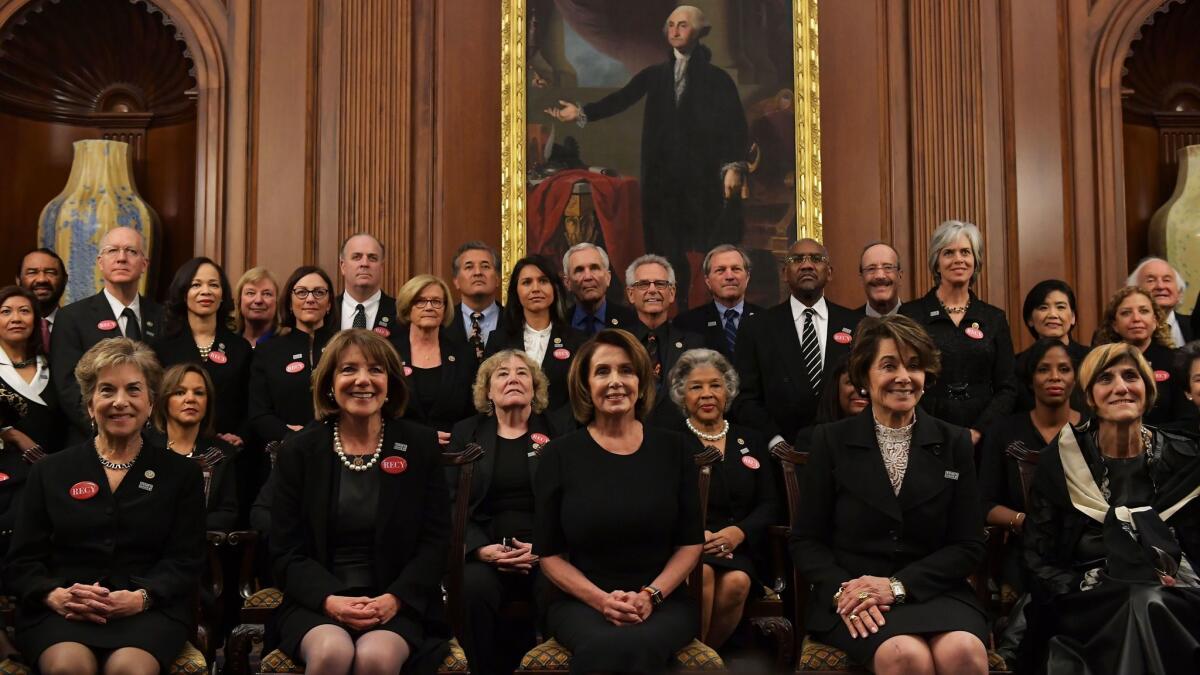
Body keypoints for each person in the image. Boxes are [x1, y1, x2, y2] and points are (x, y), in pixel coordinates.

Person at [790, 315, 989, 674]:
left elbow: (969, 545)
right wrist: (846, 592)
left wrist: (897, 586)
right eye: (889, 365)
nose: (903, 377)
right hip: (855, 595)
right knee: (904, 655)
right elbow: (806, 541)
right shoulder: (831, 441)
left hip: (935, 591)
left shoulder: (954, 441)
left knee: (963, 652)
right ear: (865, 375)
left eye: (914, 366)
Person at [4, 337, 205, 674]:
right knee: (68, 666)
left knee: (130, 669)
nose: (120, 402)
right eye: (107, 390)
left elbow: (186, 560)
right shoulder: (49, 471)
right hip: (63, 611)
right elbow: (22, 561)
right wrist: (53, 595)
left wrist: (140, 597)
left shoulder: (181, 474)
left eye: (133, 390)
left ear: (152, 402)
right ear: (89, 404)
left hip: (148, 610)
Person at [269, 330, 450, 674]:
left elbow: (436, 541)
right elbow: (284, 550)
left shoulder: (419, 444)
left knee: (375, 657)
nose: (363, 380)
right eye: (348, 369)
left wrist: (395, 599)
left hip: (398, 600)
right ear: (329, 383)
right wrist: (331, 601)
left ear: (391, 382)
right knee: (331, 653)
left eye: (376, 370)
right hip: (318, 602)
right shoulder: (300, 450)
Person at [544, 5, 748, 306]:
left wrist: (733, 167)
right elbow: (622, 99)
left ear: (700, 32)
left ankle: (707, 312)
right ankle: (673, 311)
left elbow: (735, 127)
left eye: (683, 25)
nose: (675, 30)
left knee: (705, 248)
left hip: (700, 180)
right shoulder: (656, 75)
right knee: (667, 249)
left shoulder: (718, 80)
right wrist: (581, 112)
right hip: (662, 181)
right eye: (671, 25)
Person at [1020, 343, 1200, 674]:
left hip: (1176, 599)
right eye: (1106, 378)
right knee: (1141, 602)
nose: (1121, 387)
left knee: (1147, 601)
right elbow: (1037, 560)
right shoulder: (1061, 461)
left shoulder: (1184, 457)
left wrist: (1181, 575)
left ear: (1147, 390)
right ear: (1089, 397)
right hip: (1085, 602)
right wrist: (1089, 583)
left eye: (1131, 376)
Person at [533, 329, 703, 672]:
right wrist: (601, 601)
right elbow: (549, 555)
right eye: (602, 371)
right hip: (581, 602)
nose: (615, 381)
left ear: (641, 382)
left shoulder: (675, 449)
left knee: (638, 643)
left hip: (663, 601)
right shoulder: (557, 455)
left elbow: (690, 544)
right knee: (607, 646)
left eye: (626, 370)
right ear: (585, 385)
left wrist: (650, 596)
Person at [447, 349, 556, 675]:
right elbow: (452, 500)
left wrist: (543, 549)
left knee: (558, 588)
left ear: (535, 388)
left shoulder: (558, 430)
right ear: (488, 391)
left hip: (546, 550)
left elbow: (573, 500)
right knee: (472, 588)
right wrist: (480, 550)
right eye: (502, 374)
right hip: (487, 550)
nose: (513, 379)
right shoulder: (466, 432)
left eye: (522, 373)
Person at [979, 338, 1082, 667]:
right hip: (1022, 546)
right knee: (1045, 575)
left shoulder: (1093, 427)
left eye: (1064, 369)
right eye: (1044, 369)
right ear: (1029, 378)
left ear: (1076, 377)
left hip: (1083, 547)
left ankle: (1012, 651)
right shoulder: (1004, 431)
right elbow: (983, 503)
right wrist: (1026, 522)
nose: (1055, 377)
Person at [668, 348, 779, 650]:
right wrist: (693, 535)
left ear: (727, 390)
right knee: (701, 574)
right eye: (696, 387)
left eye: (715, 385)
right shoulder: (668, 441)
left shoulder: (752, 439)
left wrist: (738, 533)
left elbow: (770, 503)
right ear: (682, 394)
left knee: (737, 582)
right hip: (687, 548)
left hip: (739, 548)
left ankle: (703, 659)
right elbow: (663, 502)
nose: (707, 394)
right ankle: (693, 662)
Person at [734, 238, 859, 448]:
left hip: (844, 449)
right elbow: (744, 397)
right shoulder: (757, 327)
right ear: (784, 273)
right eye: (797, 259)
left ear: (829, 272)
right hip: (779, 456)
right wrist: (773, 440)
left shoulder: (855, 324)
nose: (807, 265)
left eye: (816, 259)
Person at [899, 220, 1016, 443]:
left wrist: (979, 431)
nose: (958, 260)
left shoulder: (994, 318)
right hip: (925, 434)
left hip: (985, 438)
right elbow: (903, 378)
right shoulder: (911, 315)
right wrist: (932, 429)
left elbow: (1008, 387)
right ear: (936, 262)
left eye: (965, 252)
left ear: (975, 260)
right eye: (948, 253)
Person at [51, 227, 164, 446]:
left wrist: (149, 433)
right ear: (100, 262)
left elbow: (166, 381)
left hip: (154, 442)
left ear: (144, 264)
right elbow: (68, 388)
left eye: (131, 251)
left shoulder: (163, 317)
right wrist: (109, 429)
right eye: (113, 251)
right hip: (91, 441)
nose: (122, 258)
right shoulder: (72, 318)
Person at [154, 257, 253, 444]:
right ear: (184, 293)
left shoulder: (240, 348)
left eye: (214, 285)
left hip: (227, 452)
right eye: (196, 285)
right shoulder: (160, 348)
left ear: (223, 294)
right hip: (173, 450)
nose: (205, 291)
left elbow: (249, 405)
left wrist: (240, 436)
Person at [0, 286, 63, 550]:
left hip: (51, 470)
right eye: (6, 312)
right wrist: (10, 433)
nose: (16, 318)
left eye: (24, 311)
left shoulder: (53, 365)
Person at [248, 266, 337, 445]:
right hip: (285, 449)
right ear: (289, 302)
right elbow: (258, 413)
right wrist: (289, 433)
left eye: (319, 292)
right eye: (302, 292)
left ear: (329, 304)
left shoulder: (346, 346)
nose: (310, 299)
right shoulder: (267, 351)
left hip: (339, 447)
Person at [485, 256, 584, 412]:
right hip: (511, 429)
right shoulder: (498, 340)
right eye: (527, 282)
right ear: (516, 291)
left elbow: (581, 397)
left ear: (554, 288)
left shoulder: (577, 341)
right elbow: (486, 393)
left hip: (563, 432)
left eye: (543, 281)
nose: (536, 288)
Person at [150, 363, 238, 531]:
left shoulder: (222, 453)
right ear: (164, 400)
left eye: (199, 393)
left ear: (208, 402)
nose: (190, 399)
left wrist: (184, 527)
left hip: (200, 549)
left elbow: (227, 515)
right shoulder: (143, 447)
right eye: (180, 392)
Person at [390, 275, 476, 444]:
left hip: (453, 452)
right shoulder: (389, 353)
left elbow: (472, 412)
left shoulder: (463, 355)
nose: (429, 307)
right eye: (420, 301)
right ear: (408, 308)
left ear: (445, 309)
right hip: (400, 449)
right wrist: (422, 438)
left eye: (436, 301)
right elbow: (380, 410)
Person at [1094, 286, 1190, 425]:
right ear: (1115, 325)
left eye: (1144, 311)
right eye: (1126, 313)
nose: (1136, 318)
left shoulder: (1176, 361)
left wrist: (1151, 438)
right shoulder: (1100, 364)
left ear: (1155, 321)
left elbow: (1188, 420)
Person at [673, 244, 763, 359]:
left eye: (736, 269)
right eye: (720, 270)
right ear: (707, 281)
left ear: (747, 277)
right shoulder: (687, 324)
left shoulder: (767, 321)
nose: (729, 276)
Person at [1014, 280, 1090, 412]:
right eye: (1043, 308)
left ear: (1073, 317)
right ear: (1030, 319)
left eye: (1060, 307)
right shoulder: (1016, 364)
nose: (1053, 315)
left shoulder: (1092, 358)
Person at [793, 357, 870, 452]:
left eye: (867, 382)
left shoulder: (885, 437)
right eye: (851, 382)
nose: (862, 390)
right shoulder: (811, 438)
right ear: (836, 388)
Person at [562, 243, 637, 334]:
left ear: (608, 278)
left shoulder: (631, 320)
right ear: (567, 283)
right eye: (579, 270)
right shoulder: (558, 324)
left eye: (594, 268)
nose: (588, 277)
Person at [448, 241, 505, 362]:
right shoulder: (443, 322)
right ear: (456, 281)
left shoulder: (516, 322)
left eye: (485, 266)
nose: (478, 272)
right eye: (469, 267)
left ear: (497, 279)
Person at [333, 234, 399, 335]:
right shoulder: (326, 312)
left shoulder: (401, 314)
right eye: (356, 257)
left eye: (372, 258)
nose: (365, 263)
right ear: (343, 266)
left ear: (381, 267)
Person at [1128, 257, 1192, 347]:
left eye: (1167, 280)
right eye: (1151, 280)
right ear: (1134, 291)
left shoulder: (1194, 326)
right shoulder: (1128, 332)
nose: (1160, 286)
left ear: (1179, 292)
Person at [16, 248, 67, 353]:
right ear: (18, 280)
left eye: (50, 272)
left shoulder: (81, 326)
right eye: (32, 272)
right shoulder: (6, 329)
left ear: (65, 279)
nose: (42, 279)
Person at [854, 242, 904, 320]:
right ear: (862, 278)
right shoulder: (848, 324)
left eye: (888, 267)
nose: (880, 276)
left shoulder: (919, 322)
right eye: (871, 269)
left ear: (899, 276)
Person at [234, 267, 279, 348]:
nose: (258, 300)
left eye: (267, 294)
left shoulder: (288, 346)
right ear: (239, 300)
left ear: (277, 301)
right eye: (250, 293)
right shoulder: (228, 345)